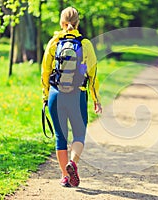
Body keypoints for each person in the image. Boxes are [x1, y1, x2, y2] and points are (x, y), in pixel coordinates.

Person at [41, 7, 102, 187]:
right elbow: (92, 73)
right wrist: (95, 98)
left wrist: (45, 95)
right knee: (79, 134)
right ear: (77, 23)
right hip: (77, 95)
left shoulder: (54, 42)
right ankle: (72, 163)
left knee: (60, 137)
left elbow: (45, 72)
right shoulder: (85, 44)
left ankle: (65, 176)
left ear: (62, 22)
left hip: (55, 95)